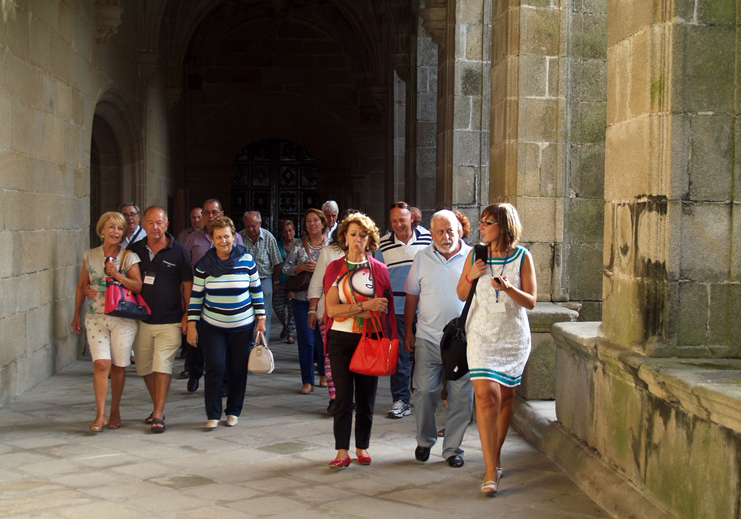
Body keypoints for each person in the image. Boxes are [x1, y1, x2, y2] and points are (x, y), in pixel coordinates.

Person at [457, 203, 536, 496]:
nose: (481, 227)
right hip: (480, 333)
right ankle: (491, 470)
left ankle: (496, 455)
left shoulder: (523, 257)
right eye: (480, 222)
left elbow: (530, 301)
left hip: (512, 336)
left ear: (502, 226)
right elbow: (461, 293)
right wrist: (471, 275)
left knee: (506, 399)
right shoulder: (476, 254)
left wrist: (508, 289)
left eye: (487, 223)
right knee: (486, 396)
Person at [323, 212, 396, 468]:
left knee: (366, 398)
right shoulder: (335, 268)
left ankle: (362, 447)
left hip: (370, 339)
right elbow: (332, 310)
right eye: (352, 234)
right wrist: (364, 307)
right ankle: (342, 451)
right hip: (340, 340)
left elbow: (384, 307)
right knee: (343, 397)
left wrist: (361, 307)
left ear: (369, 240)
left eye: (362, 235)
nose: (357, 239)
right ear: (344, 237)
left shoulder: (379, 270)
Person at [404, 210, 473, 468]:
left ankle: (453, 448)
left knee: (461, 396)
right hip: (427, 337)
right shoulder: (421, 257)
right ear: (431, 233)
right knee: (423, 392)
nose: (446, 236)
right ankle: (425, 440)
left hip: (462, 341)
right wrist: (408, 331)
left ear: (461, 230)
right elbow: (412, 294)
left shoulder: (472, 257)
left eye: (451, 230)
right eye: (440, 231)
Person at [186, 216, 266, 430]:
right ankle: (212, 414)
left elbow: (256, 291)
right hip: (213, 327)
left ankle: (233, 411)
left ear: (234, 237)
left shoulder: (247, 260)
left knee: (238, 369)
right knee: (215, 368)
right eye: (218, 237)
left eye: (227, 236)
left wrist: (261, 319)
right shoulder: (204, 266)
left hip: (242, 326)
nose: (224, 241)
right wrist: (192, 325)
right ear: (212, 239)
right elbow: (196, 297)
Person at [71, 211, 143, 432]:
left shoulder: (128, 257)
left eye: (120, 228)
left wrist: (118, 275)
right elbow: (82, 284)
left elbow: (138, 286)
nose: (116, 232)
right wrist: (76, 312)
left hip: (122, 318)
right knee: (101, 364)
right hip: (95, 316)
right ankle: (100, 414)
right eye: (111, 227)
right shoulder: (90, 255)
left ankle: (115, 410)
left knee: (119, 365)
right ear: (102, 230)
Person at [129, 206, 193, 433]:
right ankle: (158, 405)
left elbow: (187, 284)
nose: (155, 227)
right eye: (150, 223)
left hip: (170, 319)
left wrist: (188, 314)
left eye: (159, 223)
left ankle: (158, 413)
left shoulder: (179, 251)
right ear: (143, 225)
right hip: (142, 320)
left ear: (166, 224)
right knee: (145, 367)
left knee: (162, 364)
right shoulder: (134, 249)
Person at [375, 201, 432, 419]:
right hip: (396, 309)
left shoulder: (428, 239)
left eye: (402, 219)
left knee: (424, 355)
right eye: (394, 221)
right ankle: (401, 399)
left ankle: (422, 395)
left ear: (412, 219)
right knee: (398, 355)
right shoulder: (382, 245)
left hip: (425, 309)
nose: (399, 224)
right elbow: (379, 278)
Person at [182, 199, 244, 392]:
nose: (210, 216)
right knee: (196, 339)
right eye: (207, 213)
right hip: (199, 295)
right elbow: (185, 270)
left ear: (221, 213)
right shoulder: (192, 239)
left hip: (225, 300)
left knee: (222, 343)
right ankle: (194, 372)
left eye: (214, 213)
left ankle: (224, 383)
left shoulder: (235, 238)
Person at [308, 208, 359, 413]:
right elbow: (317, 282)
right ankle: (336, 399)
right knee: (331, 357)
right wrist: (312, 310)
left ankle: (351, 397)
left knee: (356, 357)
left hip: (358, 314)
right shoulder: (329, 252)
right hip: (329, 314)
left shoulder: (368, 251)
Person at [282, 208, 328, 394]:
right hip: (302, 300)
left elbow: (339, 269)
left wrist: (321, 269)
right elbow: (285, 268)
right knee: (306, 341)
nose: (312, 224)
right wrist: (300, 268)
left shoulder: (331, 245)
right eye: (308, 221)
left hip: (325, 301)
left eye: (316, 220)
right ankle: (307, 380)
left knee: (323, 340)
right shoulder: (299, 245)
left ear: (323, 223)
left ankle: (325, 374)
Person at [238, 211, 282, 340]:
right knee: (246, 314)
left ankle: (262, 346)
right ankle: (248, 345)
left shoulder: (269, 237)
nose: (250, 229)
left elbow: (277, 262)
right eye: (247, 226)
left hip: (264, 279)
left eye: (253, 226)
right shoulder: (239, 237)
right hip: (244, 281)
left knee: (264, 315)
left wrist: (276, 283)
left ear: (260, 223)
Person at [274, 219, 297, 344]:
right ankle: (286, 326)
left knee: (292, 308)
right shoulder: (277, 245)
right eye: (285, 231)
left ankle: (291, 334)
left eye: (290, 230)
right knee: (278, 307)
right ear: (282, 233)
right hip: (281, 280)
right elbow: (275, 263)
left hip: (294, 282)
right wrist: (275, 282)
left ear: (294, 231)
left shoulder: (299, 244)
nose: (288, 233)